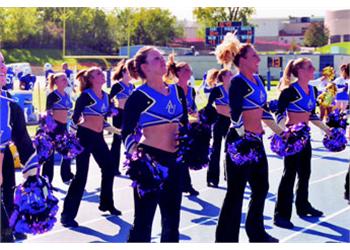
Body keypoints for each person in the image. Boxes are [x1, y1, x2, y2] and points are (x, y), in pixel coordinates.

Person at [215, 35, 282, 243]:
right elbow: (235, 114)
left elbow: (262, 111)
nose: (259, 59)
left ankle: (256, 233)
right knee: (235, 193)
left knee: (261, 188)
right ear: (242, 59)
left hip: (256, 142)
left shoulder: (259, 81)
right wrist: (244, 137)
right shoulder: (237, 82)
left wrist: (281, 132)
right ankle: (226, 240)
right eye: (254, 56)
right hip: (240, 142)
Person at [122, 46, 188, 242]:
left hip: (175, 161)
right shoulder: (139, 96)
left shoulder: (177, 91)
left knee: (172, 219)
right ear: (145, 67)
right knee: (143, 220)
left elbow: (183, 124)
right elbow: (127, 132)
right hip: (151, 160)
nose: (163, 61)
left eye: (162, 57)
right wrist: (138, 159)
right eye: (156, 59)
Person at [273, 58, 331, 229]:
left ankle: (303, 205)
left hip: (305, 138)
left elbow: (312, 115)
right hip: (292, 138)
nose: (314, 69)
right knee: (289, 174)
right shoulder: (289, 92)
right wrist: (284, 132)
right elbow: (280, 113)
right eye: (310, 67)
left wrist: (328, 130)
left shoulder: (312, 90)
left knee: (305, 173)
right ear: (299, 71)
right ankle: (281, 215)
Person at [60, 67, 121, 228]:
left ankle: (106, 203)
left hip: (99, 138)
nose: (103, 75)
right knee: (81, 176)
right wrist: (72, 135)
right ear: (92, 79)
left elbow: (102, 120)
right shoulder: (86, 96)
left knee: (109, 167)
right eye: (98, 74)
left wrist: (117, 131)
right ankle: (67, 216)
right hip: (84, 138)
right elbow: (74, 118)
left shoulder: (106, 97)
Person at [1, 51, 38, 242]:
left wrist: (32, 170)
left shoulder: (12, 104)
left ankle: (9, 227)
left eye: (2, 63)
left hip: (4, 157)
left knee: (8, 192)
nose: (2, 68)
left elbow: (22, 139)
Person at [165, 53, 199, 196]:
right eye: (186, 70)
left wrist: (195, 113)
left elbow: (194, 109)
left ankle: (186, 185)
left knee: (183, 157)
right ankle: (174, 184)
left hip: (185, 127)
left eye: (189, 70)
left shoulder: (191, 90)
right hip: (171, 128)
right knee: (173, 158)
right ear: (178, 73)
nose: (189, 73)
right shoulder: (170, 89)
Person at [41, 72, 74, 184]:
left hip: (64, 127)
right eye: (63, 79)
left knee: (68, 152)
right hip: (54, 128)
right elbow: (48, 112)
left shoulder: (66, 95)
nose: (66, 81)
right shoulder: (53, 95)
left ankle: (66, 176)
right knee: (49, 155)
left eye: (66, 79)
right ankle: (47, 180)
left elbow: (67, 111)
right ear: (56, 82)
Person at [205, 68, 234, 188]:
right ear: (223, 77)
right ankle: (212, 178)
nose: (232, 76)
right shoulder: (217, 90)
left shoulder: (235, 90)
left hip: (232, 122)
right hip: (219, 121)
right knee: (216, 150)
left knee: (231, 150)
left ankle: (230, 175)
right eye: (230, 74)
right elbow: (209, 106)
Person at [109, 59, 135, 176]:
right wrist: (112, 109)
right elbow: (108, 98)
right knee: (117, 141)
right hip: (119, 114)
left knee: (131, 140)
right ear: (124, 73)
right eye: (130, 72)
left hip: (129, 115)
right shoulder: (117, 85)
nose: (132, 75)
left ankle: (132, 166)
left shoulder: (132, 86)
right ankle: (113, 167)